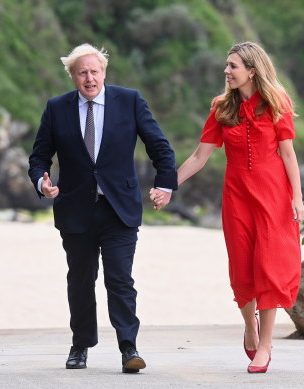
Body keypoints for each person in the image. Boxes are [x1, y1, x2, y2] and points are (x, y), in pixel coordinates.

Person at [28, 43, 177, 373]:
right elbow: (38, 158)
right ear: (73, 77)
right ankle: (80, 344)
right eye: (82, 72)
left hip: (118, 209)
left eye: (94, 71)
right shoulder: (57, 108)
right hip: (75, 210)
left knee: (120, 278)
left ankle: (128, 346)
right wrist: (42, 182)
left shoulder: (130, 101)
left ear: (104, 73)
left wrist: (164, 185)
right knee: (80, 280)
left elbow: (161, 148)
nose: (89, 78)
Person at [167, 41, 304, 374]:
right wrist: (168, 185)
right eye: (227, 66)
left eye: (233, 66)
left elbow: (288, 155)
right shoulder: (221, 108)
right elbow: (200, 156)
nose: (226, 71)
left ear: (252, 71)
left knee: (269, 270)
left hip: (273, 198)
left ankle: (266, 346)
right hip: (237, 200)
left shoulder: (276, 103)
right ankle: (250, 325)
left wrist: (297, 198)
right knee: (242, 270)